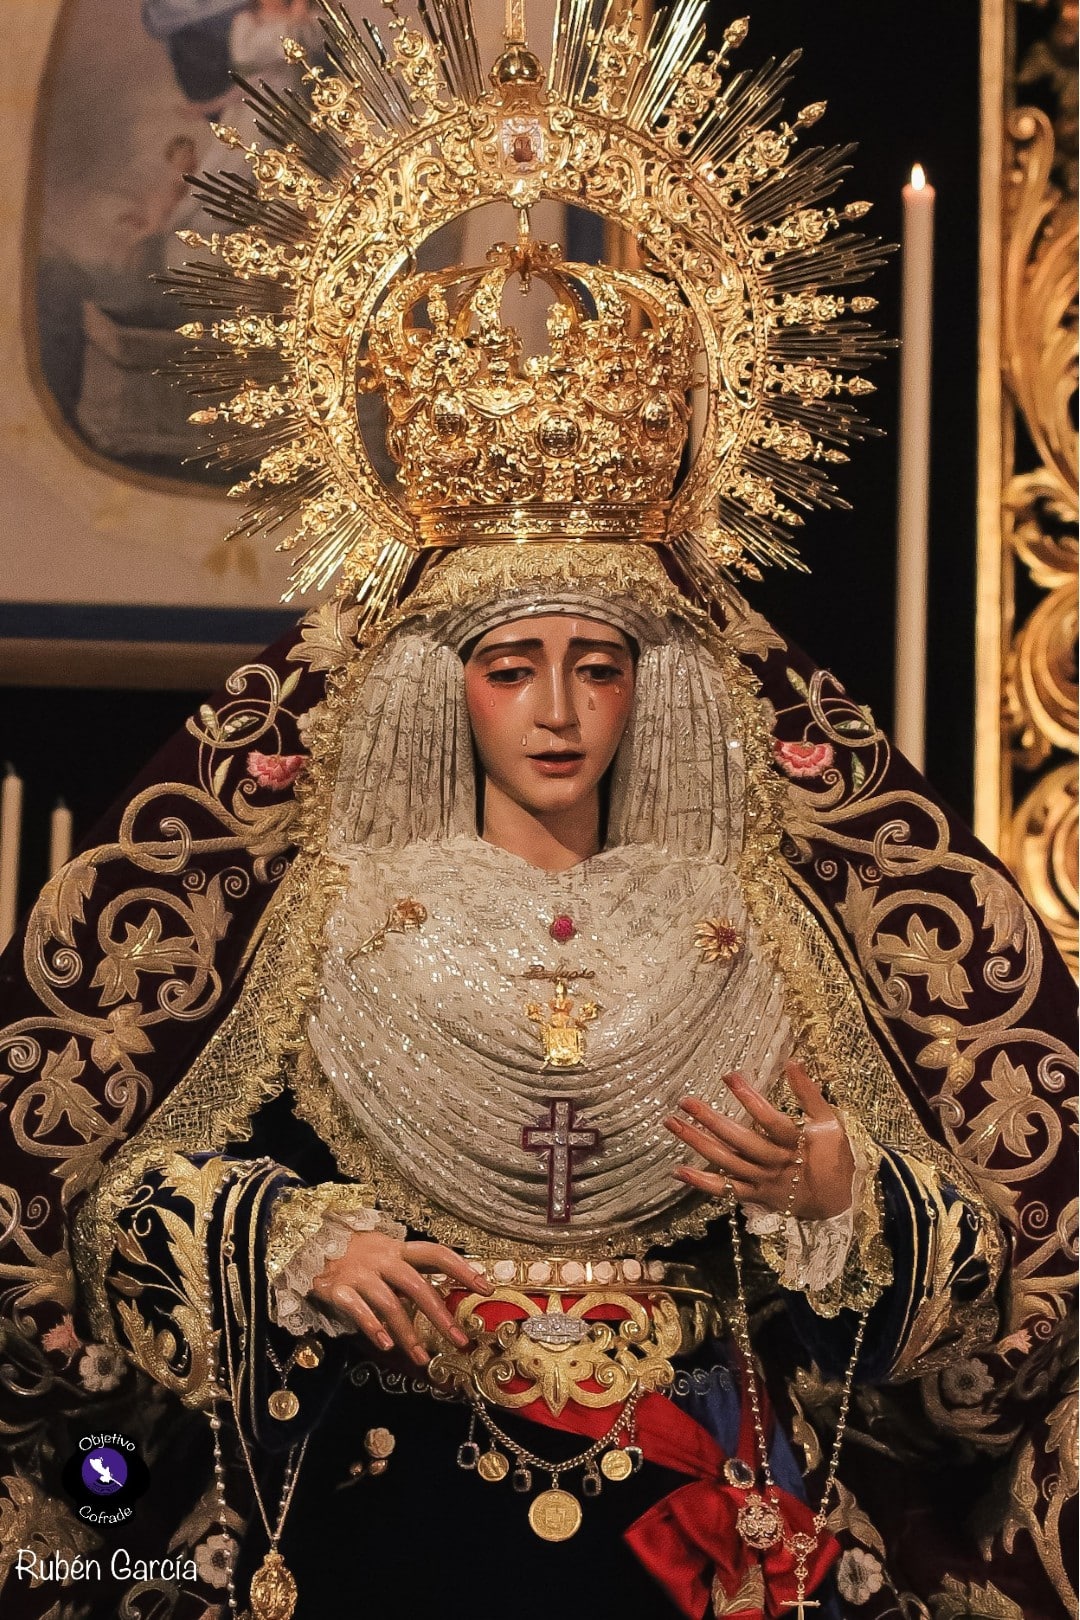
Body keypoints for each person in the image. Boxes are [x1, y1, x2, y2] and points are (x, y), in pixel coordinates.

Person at [0, 5, 1074, 1619]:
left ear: (657, 688)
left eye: (600, 666)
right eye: (513, 668)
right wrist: (291, 1239)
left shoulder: (755, 916)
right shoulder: (331, 916)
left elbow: (979, 1280)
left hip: (694, 1504)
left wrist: (834, 1192)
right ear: (448, 688)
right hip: (388, 1503)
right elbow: (118, 1201)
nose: (560, 710)